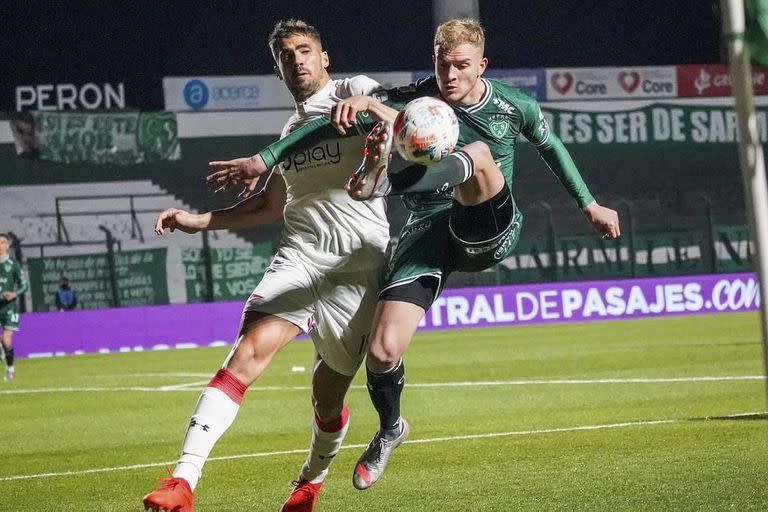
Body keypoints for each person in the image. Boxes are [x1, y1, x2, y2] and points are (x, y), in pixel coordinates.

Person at [211, 18, 620, 492]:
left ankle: (408, 178)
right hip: (429, 229)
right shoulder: (417, 97)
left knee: (481, 154)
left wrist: (588, 204)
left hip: (489, 224)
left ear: (481, 66)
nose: (450, 75)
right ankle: (390, 430)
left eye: (462, 66)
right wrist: (268, 157)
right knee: (382, 353)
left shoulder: (515, 104)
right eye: (443, 64)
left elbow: (553, 150)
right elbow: (326, 123)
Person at [141, 19, 390, 512]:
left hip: (358, 265)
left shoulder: (355, 90)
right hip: (299, 255)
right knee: (248, 350)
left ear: (325, 58)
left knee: (328, 397)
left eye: (305, 50)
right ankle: (183, 481)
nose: (296, 59)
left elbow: (407, 118)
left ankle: (309, 484)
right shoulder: (291, 132)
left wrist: (371, 105)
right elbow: (264, 206)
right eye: (286, 55)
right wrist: (197, 220)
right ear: (278, 70)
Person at [0, 233, 28, 381]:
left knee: (7, 338)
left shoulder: (13, 265)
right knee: (3, 341)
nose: (0, 246)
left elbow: (25, 285)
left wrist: (14, 294)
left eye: (3, 242)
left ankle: (10, 369)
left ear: (8, 245)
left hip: (9, 306)